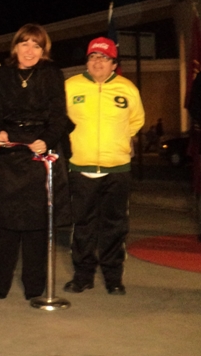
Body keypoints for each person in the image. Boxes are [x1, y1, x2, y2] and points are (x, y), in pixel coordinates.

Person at [0, 23, 71, 300]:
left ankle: (35, 286)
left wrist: (47, 138)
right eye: (25, 44)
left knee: (37, 224)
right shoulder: (0, 74)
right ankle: (0, 283)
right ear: (16, 46)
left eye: (36, 45)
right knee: (4, 223)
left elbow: (60, 116)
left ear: (43, 51)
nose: (30, 50)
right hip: (8, 152)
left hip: (39, 152)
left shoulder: (52, 75)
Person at [64, 37, 144, 295]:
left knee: (115, 225)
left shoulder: (127, 88)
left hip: (117, 169)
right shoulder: (71, 86)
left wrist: (117, 142)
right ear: (87, 61)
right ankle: (82, 275)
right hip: (81, 167)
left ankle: (113, 277)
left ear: (113, 64)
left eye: (104, 58)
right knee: (83, 225)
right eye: (93, 57)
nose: (97, 62)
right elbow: (59, 119)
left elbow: (137, 121)